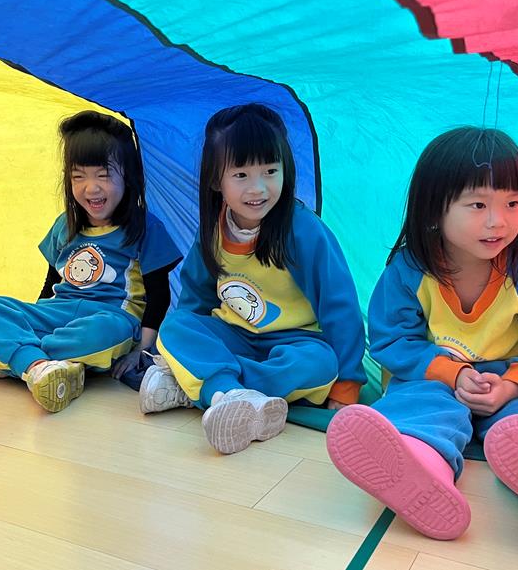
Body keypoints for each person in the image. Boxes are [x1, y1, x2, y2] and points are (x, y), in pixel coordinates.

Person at [326, 127, 518, 566]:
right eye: (478, 205)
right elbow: (393, 339)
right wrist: (452, 373)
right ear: (434, 209)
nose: (498, 221)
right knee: (420, 408)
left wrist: (511, 386)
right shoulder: (409, 270)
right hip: (436, 378)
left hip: (511, 381)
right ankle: (422, 467)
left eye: (512, 203)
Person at [144, 104, 366, 455]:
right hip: (234, 336)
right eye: (241, 175)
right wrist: (187, 340)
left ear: (286, 170)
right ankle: (227, 392)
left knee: (321, 364)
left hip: (294, 343)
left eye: (270, 171)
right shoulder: (213, 231)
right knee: (175, 328)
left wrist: (348, 383)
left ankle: (206, 387)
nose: (258, 188)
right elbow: (196, 299)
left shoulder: (304, 231)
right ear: (216, 180)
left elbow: (340, 307)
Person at [0, 110, 180, 412]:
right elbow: (50, 284)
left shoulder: (145, 228)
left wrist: (141, 349)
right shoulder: (65, 225)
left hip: (108, 317)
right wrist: (32, 315)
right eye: (78, 176)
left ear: (128, 175)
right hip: (55, 314)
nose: (91, 187)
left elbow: (159, 296)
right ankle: (40, 366)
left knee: (105, 332)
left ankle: (9, 360)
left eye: (103, 175)